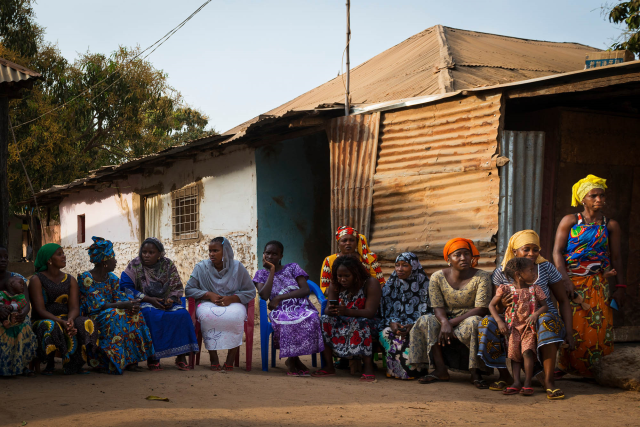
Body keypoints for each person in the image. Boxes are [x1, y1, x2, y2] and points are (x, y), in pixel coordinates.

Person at [478, 230, 571, 400]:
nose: (532, 254)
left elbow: (563, 301)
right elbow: (495, 306)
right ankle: (506, 376)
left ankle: (549, 381)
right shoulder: (502, 272)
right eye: (526, 249)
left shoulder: (546, 268)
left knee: (546, 320)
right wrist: (503, 307)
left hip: (540, 316)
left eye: (536, 249)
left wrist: (569, 332)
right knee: (487, 323)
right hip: (512, 319)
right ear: (514, 251)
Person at [553, 174, 626, 378]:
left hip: (598, 282)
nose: (599, 200)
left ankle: (594, 370)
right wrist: (565, 279)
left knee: (597, 324)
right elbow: (557, 252)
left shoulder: (610, 225)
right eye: (593, 195)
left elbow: (617, 258)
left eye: (601, 196)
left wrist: (620, 287)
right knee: (572, 324)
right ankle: (566, 366)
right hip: (572, 282)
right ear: (582, 199)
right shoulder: (570, 221)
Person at [409, 238, 492, 388]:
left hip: (468, 317)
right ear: (448, 259)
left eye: (466, 254)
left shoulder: (482, 277)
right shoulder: (437, 277)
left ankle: (476, 372)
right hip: (445, 318)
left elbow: (481, 308)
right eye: (457, 255)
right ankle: (440, 369)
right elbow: (437, 306)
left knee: (475, 322)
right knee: (425, 320)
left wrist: (451, 323)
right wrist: (445, 322)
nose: (463, 258)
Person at [78, 237, 154, 374]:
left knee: (135, 314)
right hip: (95, 313)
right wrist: (124, 305)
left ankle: (131, 360)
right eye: (113, 257)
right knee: (116, 315)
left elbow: (119, 297)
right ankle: (111, 362)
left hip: (112, 310)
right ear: (105, 261)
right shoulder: (85, 278)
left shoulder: (112, 278)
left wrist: (131, 305)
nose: (116, 261)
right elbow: (98, 304)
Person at [120, 237, 198, 371]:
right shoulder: (134, 265)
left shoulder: (167, 265)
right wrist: (148, 299)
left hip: (165, 302)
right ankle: (153, 357)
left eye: (151, 252)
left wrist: (171, 300)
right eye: (144, 252)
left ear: (159, 254)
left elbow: (177, 287)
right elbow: (125, 287)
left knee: (182, 314)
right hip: (144, 302)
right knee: (151, 315)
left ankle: (181, 356)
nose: (146, 255)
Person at [253, 241, 324, 376]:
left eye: (275, 254)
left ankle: (292, 360)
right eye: (267, 253)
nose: (270, 256)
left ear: (281, 256)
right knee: (287, 320)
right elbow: (264, 295)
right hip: (281, 310)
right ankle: (294, 361)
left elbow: (305, 290)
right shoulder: (261, 274)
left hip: (300, 305)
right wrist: (272, 271)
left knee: (312, 316)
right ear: (263, 255)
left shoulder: (293, 267)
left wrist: (279, 297)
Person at [185, 237, 256, 371]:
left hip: (233, 302)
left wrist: (232, 298)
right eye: (210, 251)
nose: (212, 254)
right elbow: (189, 289)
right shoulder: (201, 268)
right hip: (207, 303)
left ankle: (230, 358)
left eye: (216, 251)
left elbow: (250, 291)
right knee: (208, 317)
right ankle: (214, 358)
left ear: (226, 251)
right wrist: (208, 294)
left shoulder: (237, 268)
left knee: (236, 316)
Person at [29, 243, 98, 375]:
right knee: (50, 326)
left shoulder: (70, 279)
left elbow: (74, 307)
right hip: (44, 318)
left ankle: (75, 364)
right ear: (49, 259)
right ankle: (49, 364)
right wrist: (60, 321)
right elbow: (39, 310)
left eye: (63, 253)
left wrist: (70, 320)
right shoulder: (36, 280)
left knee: (86, 323)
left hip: (66, 318)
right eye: (59, 254)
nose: (64, 256)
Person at [312, 255, 381, 382]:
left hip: (368, 321)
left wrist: (347, 311)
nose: (342, 279)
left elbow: (370, 312)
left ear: (356, 274)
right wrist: (332, 310)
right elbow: (327, 309)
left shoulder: (370, 283)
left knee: (359, 323)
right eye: (339, 276)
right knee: (324, 320)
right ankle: (329, 366)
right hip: (343, 319)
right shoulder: (335, 284)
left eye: (346, 276)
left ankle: (368, 368)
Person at [489, 258, 548, 396]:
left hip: (529, 327)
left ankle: (527, 383)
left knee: (527, 352)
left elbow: (545, 306)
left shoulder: (535, 289)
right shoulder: (505, 289)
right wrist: (499, 321)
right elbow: (491, 305)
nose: (534, 273)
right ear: (518, 274)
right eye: (531, 270)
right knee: (514, 356)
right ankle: (516, 382)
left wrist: (536, 314)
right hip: (512, 328)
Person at [378, 252, 430, 380]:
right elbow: (383, 311)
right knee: (387, 333)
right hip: (393, 324)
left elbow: (431, 312)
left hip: (417, 326)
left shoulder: (426, 286)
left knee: (413, 336)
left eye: (405, 265)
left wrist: (413, 325)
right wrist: (391, 323)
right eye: (397, 265)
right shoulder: (391, 285)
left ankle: (415, 372)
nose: (399, 269)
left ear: (414, 267)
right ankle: (394, 370)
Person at [0, 246, 37, 378]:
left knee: (24, 325)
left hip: (16, 313)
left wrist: (23, 313)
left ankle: (21, 365)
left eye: (5, 257)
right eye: (0, 257)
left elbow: (26, 302)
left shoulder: (17, 279)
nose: (3, 260)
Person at [320, 226, 385, 291]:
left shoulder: (368, 259)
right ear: (338, 244)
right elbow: (324, 287)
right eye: (344, 241)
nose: (348, 243)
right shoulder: (329, 260)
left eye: (352, 240)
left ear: (357, 243)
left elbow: (380, 283)